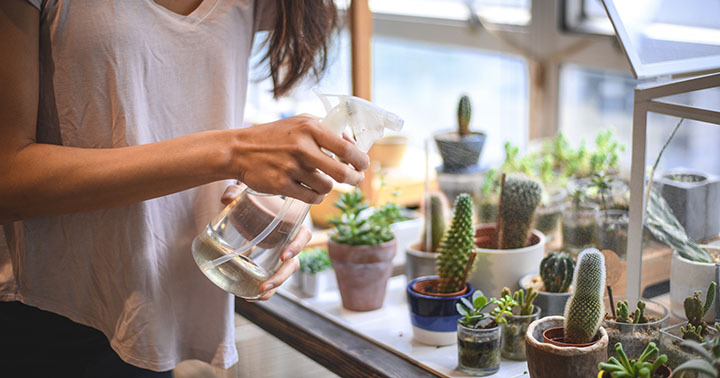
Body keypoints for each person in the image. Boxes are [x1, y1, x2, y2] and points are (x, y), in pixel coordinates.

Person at [0, 1, 368, 376]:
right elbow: (7, 179)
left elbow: (174, 103)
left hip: (152, 312)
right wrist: (234, 151)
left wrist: (266, 200)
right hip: (41, 310)